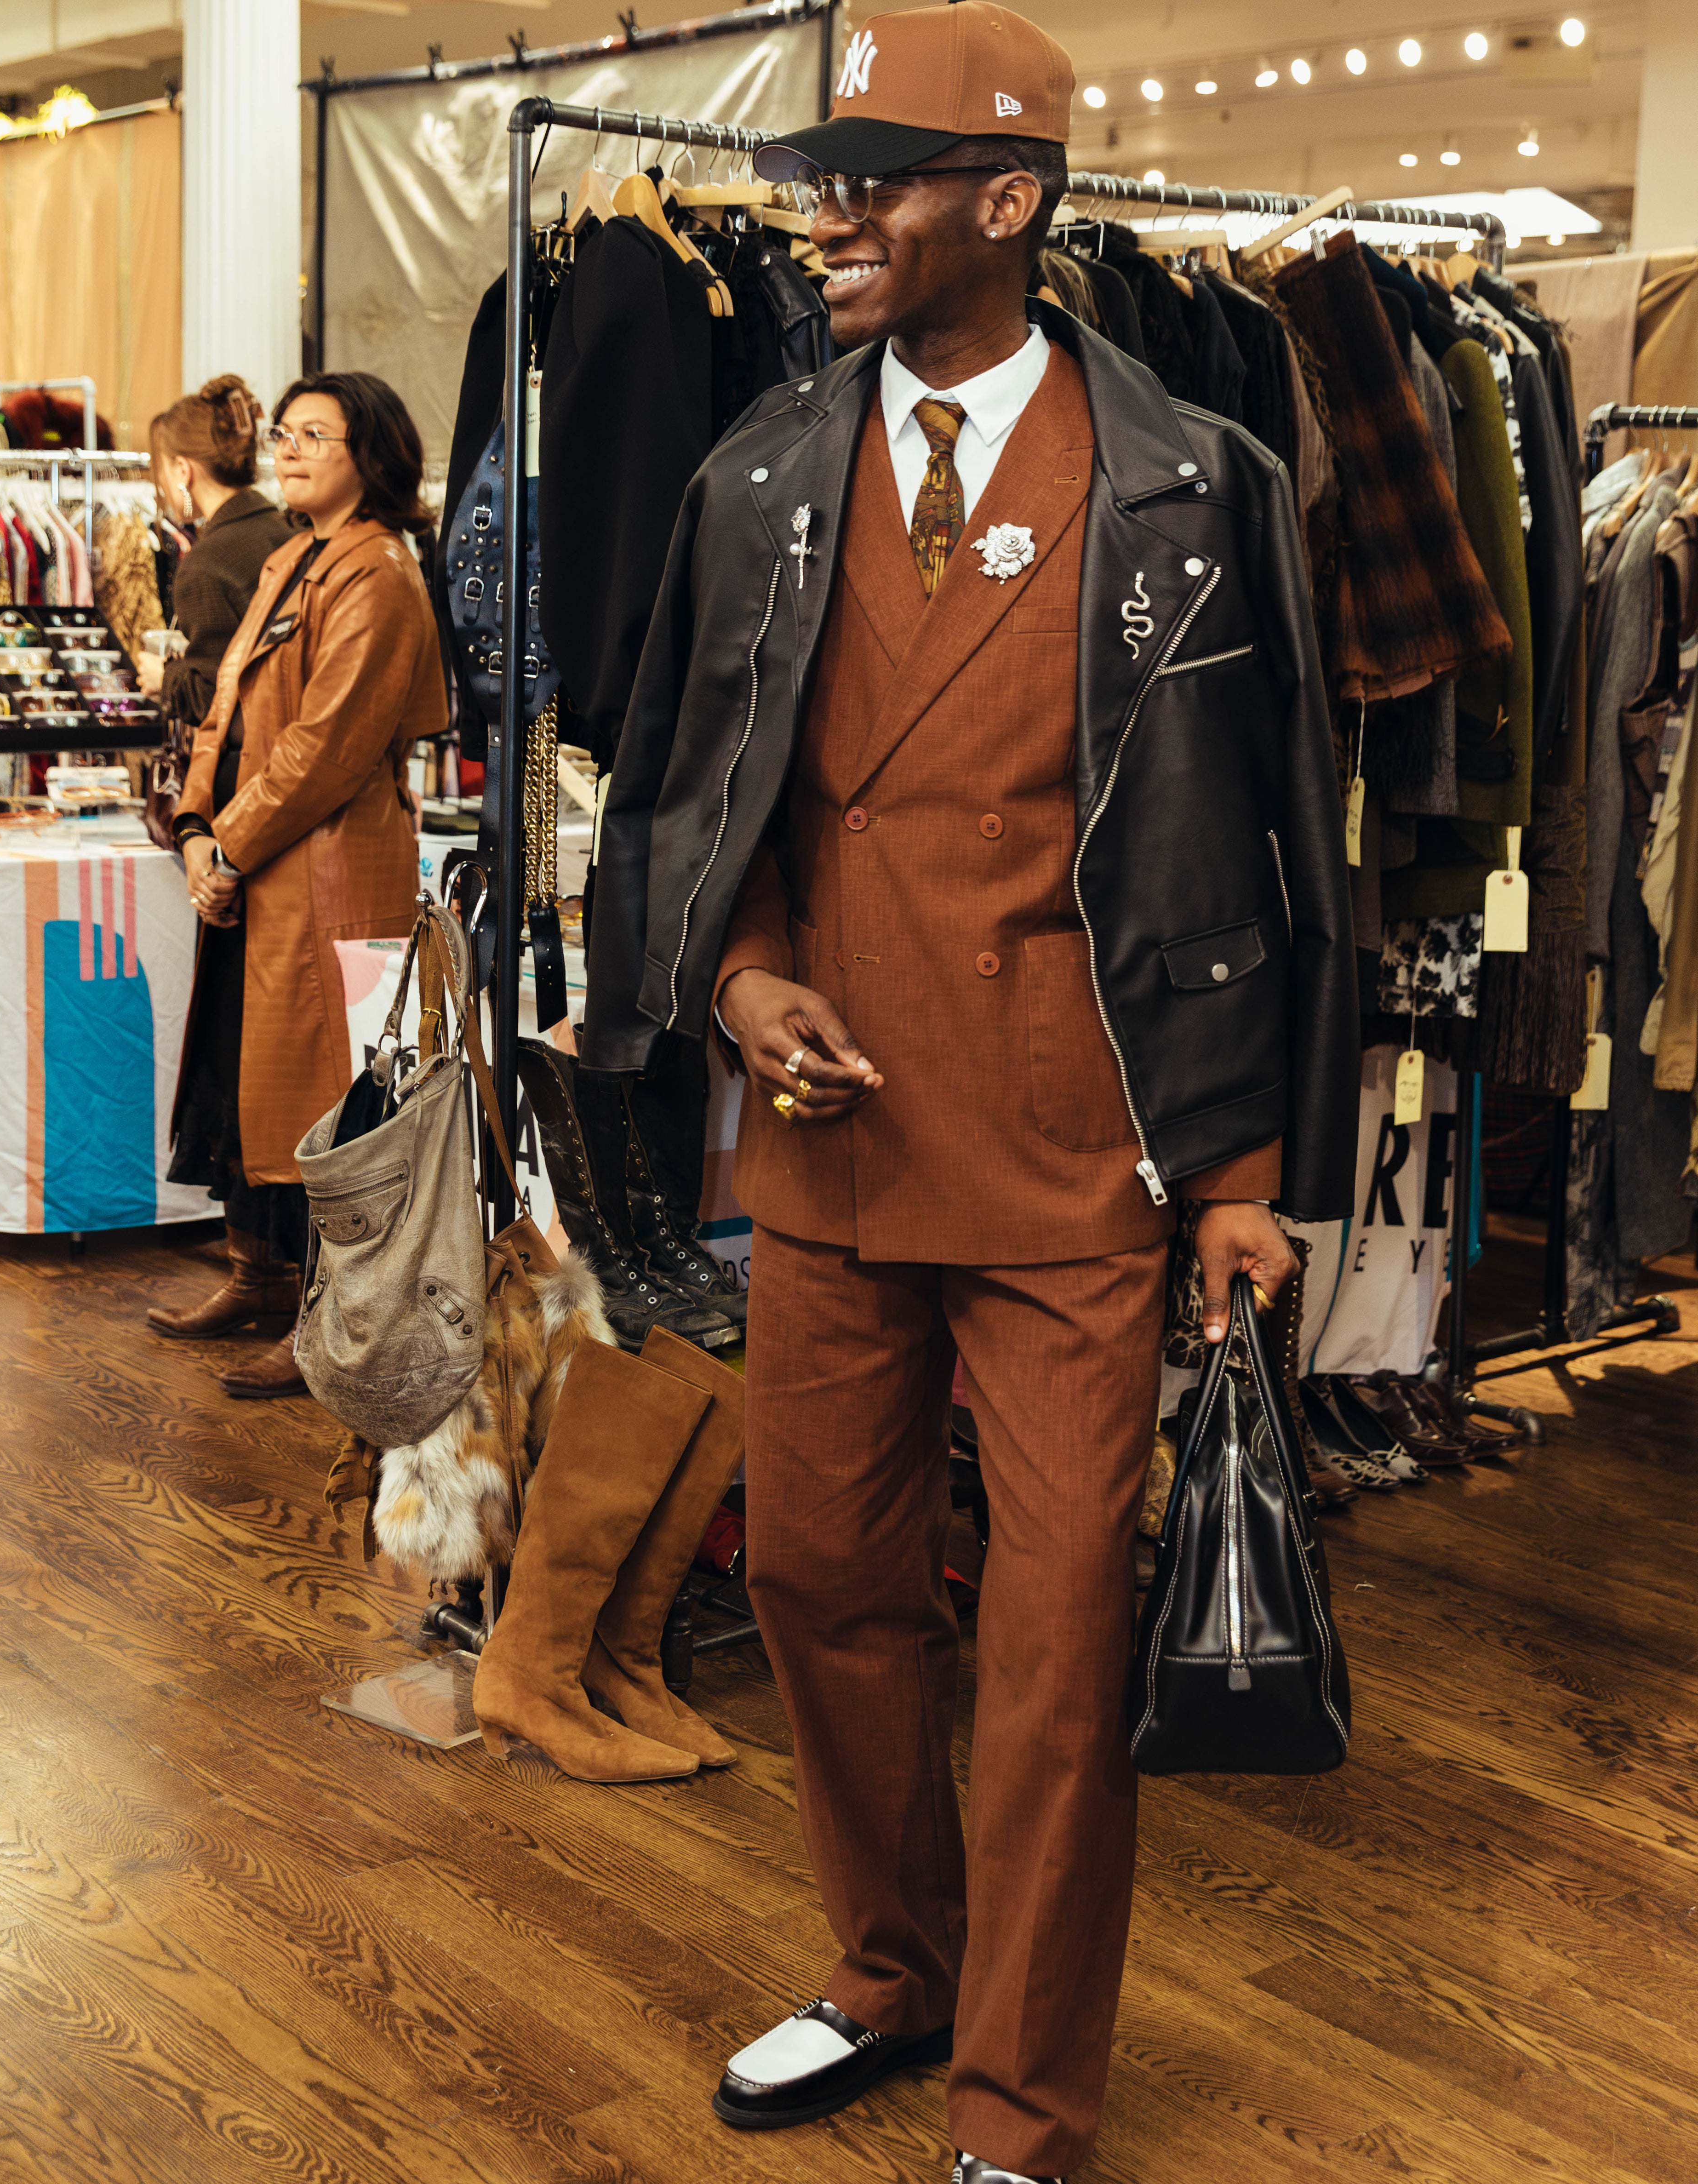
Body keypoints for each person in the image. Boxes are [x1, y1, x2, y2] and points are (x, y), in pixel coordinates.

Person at [581, 6, 1360, 2178]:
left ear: (1004, 204)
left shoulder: (1193, 477)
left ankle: (1021, 2095)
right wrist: (733, 987)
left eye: (878, 177)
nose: (824, 212)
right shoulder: (757, 473)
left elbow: (1274, 846)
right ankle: (885, 1967)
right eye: (821, 173)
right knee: (824, 1577)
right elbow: (679, 804)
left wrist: (1247, 1171)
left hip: (1084, 1151)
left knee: (1043, 1642)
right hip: (827, 1134)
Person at [149, 372, 446, 1400]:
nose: (290, 447)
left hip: (326, 874)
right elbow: (226, 707)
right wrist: (194, 826)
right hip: (256, 863)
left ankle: (332, 1323)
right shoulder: (291, 556)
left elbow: (326, 748)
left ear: (371, 453)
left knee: (329, 1097)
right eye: (286, 431)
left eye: (316, 434)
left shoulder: (380, 574)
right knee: (244, 1073)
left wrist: (223, 845)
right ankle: (258, 1275)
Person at [137, 375, 293, 726]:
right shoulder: (284, 530)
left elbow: (216, 698)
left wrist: (165, 679)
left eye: (161, 470)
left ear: (182, 470)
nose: (160, 483)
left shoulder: (207, 565)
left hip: (249, 766)